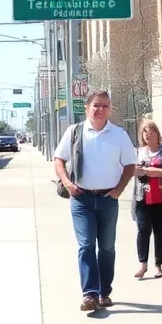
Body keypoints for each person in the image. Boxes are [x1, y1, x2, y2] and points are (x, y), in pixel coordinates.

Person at [53, 90, 137, 311]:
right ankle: (89, 294)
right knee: (86, 245)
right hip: (82, 199)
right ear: (87, 108)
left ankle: (104, 292)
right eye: (96, 105)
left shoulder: (119, 135)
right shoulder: (74, 132)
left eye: (105, 106)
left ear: (110, 109)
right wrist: (67, 183)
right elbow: (59, 159)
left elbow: (130, 165)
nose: (101, 110)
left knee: (107, 248)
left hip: (108, 199)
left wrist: (118, 190)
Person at [132, 119, 162, 280]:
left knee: (159, 231)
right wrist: (142, 171)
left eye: (151, 131)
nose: (148, 135)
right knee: (143, 231)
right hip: (142, 198)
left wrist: (149, 171)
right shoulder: (137, 152)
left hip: (160, 198)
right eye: (144, 132)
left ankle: (158, 265)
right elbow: (131, 170)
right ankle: (143, 264)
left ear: (157, 133)